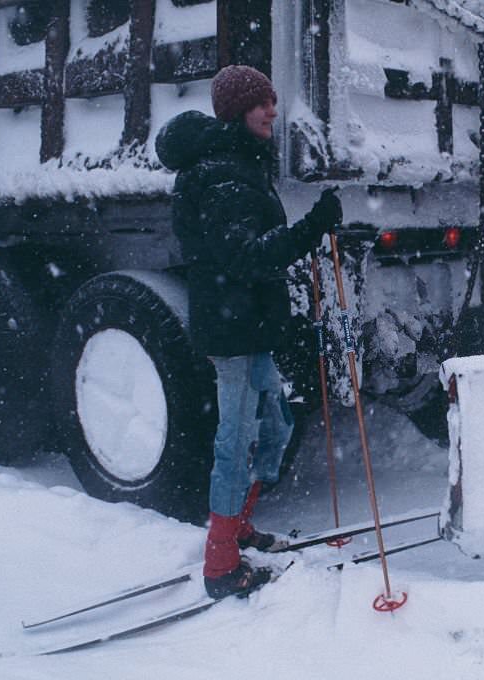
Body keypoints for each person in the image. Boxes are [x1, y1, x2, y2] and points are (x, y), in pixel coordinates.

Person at [155, 65, 341, 599]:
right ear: (237, 109)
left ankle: (238, 525)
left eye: (273, 102)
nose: (272, 112)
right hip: (232, 330)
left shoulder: (239, 163)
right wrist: (311, 228)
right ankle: (220, 565)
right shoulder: (221, 174)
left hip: (251, 326)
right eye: (261, 103)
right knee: (234, 442)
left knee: (277, 425)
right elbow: (246, 258)